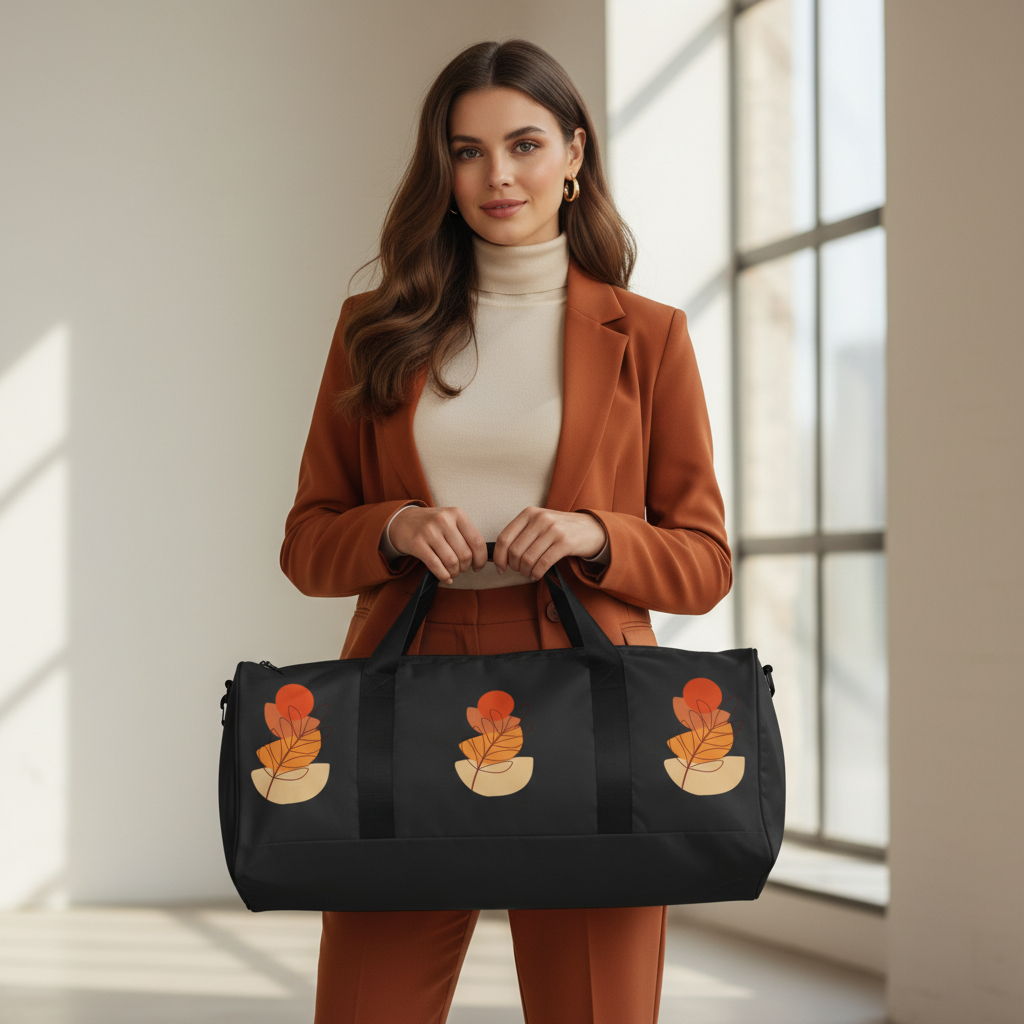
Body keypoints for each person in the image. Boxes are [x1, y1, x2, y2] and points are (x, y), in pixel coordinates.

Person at [280, 37, 731, 1024]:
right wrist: (392, 526)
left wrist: (592, 533)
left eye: (523, 144)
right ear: (440, 168)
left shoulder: (647, 337)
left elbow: (702, 562)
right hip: (407, 679)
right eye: (466, 149)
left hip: (588, 686)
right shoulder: (374, 329)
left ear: (574, 153)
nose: (496, 175)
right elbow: (307, 542)